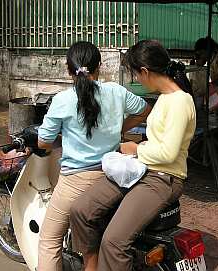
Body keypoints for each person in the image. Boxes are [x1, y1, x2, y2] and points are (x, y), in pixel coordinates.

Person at [69, 40, 196, 271]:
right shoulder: (164, 98)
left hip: (163, 178)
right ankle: (91, 266)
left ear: (145, 71)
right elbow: (159, 143)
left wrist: (134, 149)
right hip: (141, 169)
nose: (136, 80)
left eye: (136, 74)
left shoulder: (180, 101)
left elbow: (168, 153)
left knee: (114, 242)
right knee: (81, 210)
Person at [36, 41, 151, 271]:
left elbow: (43, 142)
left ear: (69, 70)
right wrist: (119, 128)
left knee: (49, 242)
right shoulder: (116, 92)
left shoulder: (62, 100)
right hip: (112, 177)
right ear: (100, 66)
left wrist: (52, 144)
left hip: (74, 183)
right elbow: (144, 110)